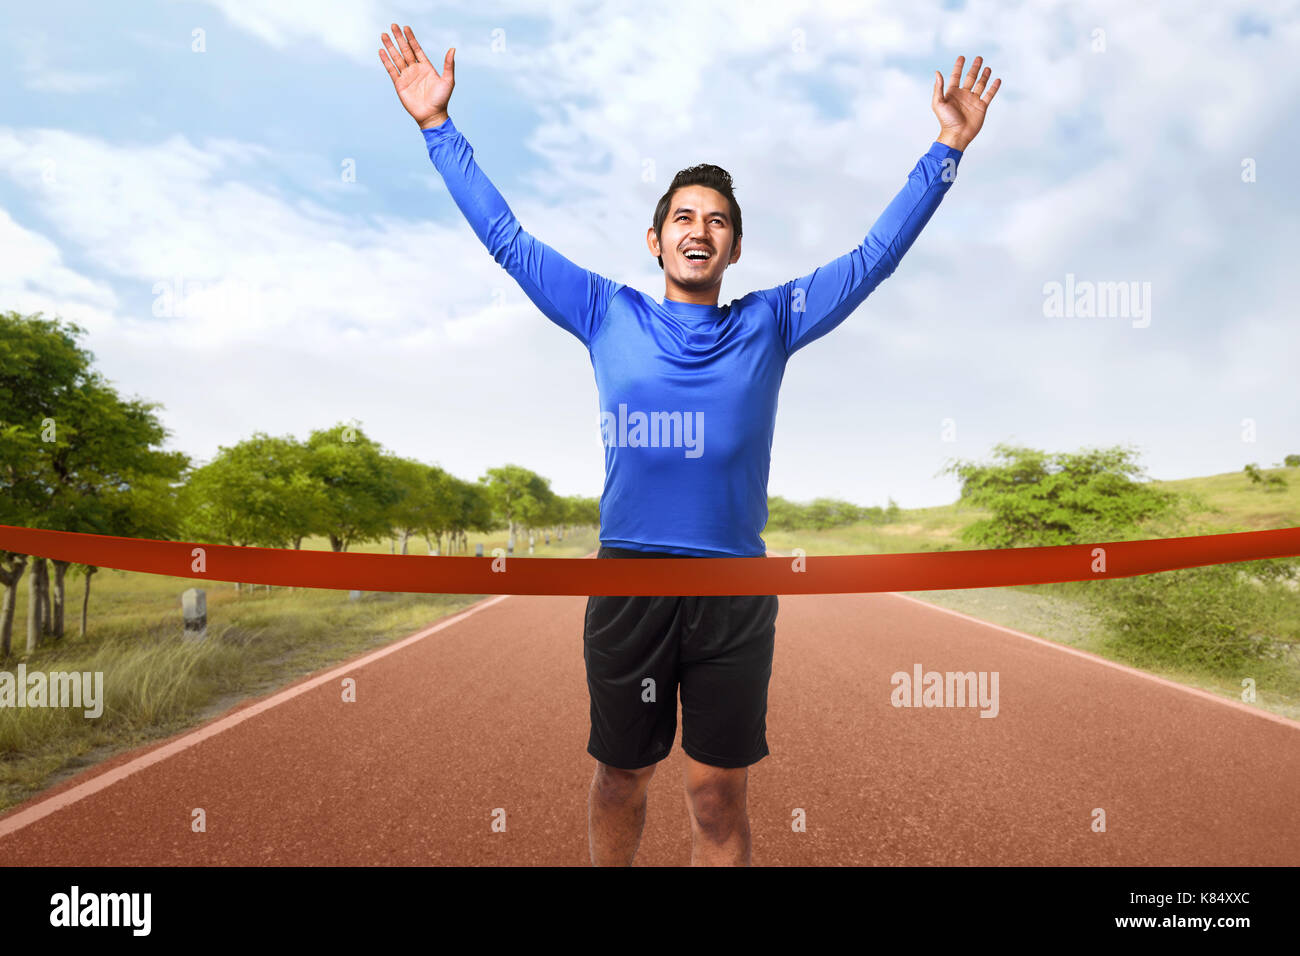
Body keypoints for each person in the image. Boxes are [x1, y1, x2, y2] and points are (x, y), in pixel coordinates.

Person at [379, 23, 1000, 866]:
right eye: (682, 217)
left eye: (716, 221)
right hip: (630, 580)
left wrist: (946, 151)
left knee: (716, 795)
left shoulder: (771, 321)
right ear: (656, 240)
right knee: (620, 780)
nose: (698, 229)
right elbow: (509, 242)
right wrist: (436, 128)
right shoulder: (607, 313)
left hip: (734, 591)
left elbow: (874, 257)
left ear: (735, 247)